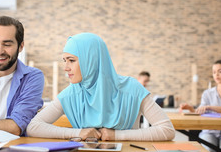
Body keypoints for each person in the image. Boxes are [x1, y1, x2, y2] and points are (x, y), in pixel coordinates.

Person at [27, 33, 175, 141]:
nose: (65, 67)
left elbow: (167, 130)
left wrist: (117, 135)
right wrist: (78, 132)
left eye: (71, 60)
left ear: (91, 60)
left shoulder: (132, 88)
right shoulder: (71, 94)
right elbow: (34, 127)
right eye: (64, 60)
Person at [180, 59, 221, 152]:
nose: (216, 74)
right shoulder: (207, 93)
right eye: (214, 72)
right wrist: (191, 109)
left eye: (220, 71)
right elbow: (201, 111)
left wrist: (210, 107)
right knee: (208, 148)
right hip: (210, 131)